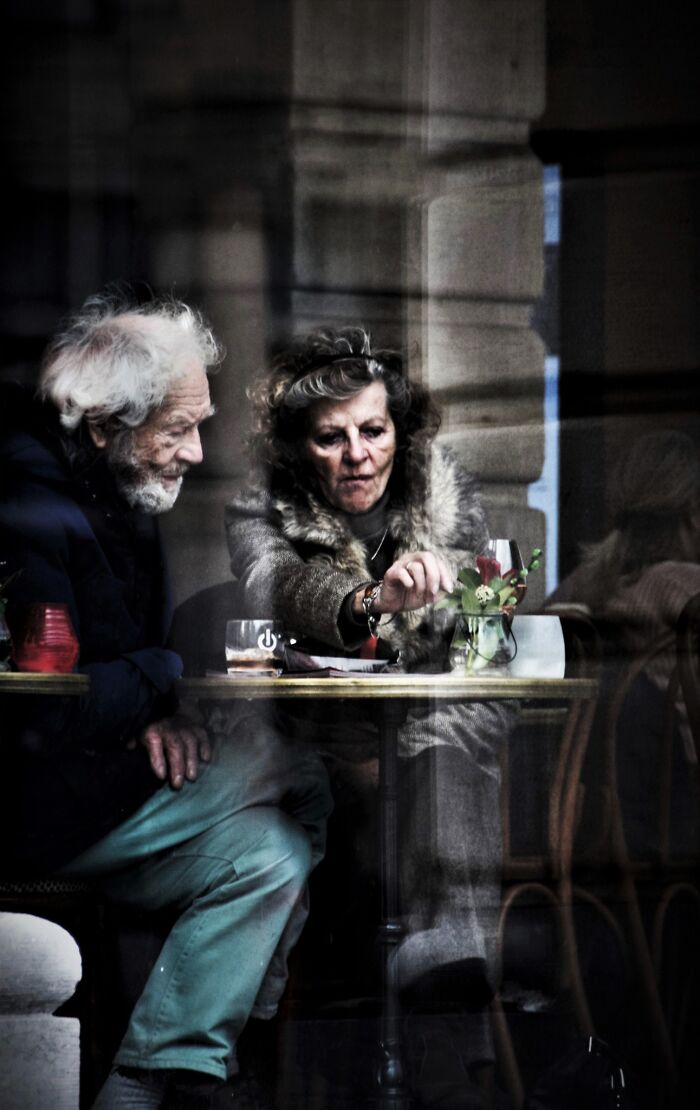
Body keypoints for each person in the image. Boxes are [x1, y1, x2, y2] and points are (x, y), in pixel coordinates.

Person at [0, 294, 332, 1110]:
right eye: (177, 428)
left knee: (275, 851)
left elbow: (116, 671)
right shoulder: (29, 506)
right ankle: (244, 1039)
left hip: (99, 795)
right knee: (296, 768)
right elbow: (48, 708)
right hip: (36, 811)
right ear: (105, 425)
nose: (195, 450)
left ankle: (144, 1081)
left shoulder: (122, 492)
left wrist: (161, 710)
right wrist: (160, 674)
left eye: (199, 425)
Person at [224, 326, 518, 1107]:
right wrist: (367, 599)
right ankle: (442, 1060)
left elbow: (491, 641)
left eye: (374, 431)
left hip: (433, 743)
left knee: (453, 748)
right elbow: (276, 585)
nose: (357, 454)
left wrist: (462, 595)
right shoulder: (260, 505)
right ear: (299, 446)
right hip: (320, 750)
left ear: (401, 432)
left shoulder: (452, 499)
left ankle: (447, 1002)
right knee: (348, 799)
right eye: (332, 437)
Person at [546, 429, 700, 856]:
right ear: (693, 514)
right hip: (676, 807)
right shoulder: (683, 586)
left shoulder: (589, 581)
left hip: (595, 811)